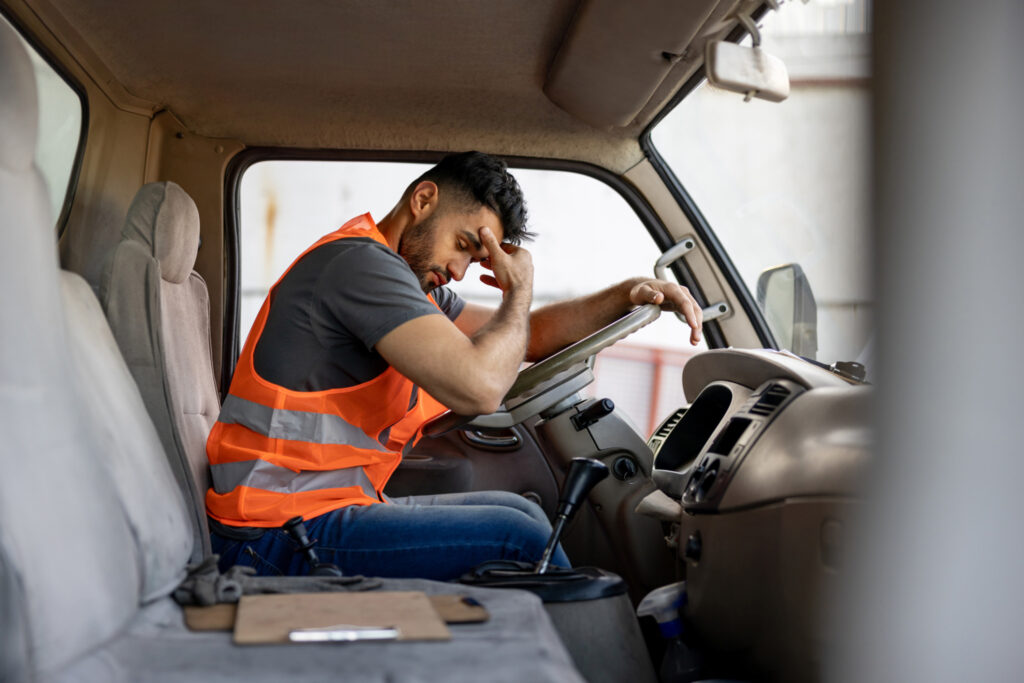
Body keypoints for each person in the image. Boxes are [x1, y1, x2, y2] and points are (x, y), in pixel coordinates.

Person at [206, 151, 703, 581]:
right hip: (273, 531)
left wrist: (627, 294)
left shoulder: (407, 283)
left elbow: (531, 336)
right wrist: (518, 290)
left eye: (478, 259)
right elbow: (481, 388)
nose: (460, 272)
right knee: (518, 537)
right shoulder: (360, 267)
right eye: (464, 245)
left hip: (312, 510)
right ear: (423, 200)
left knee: (520, 511)